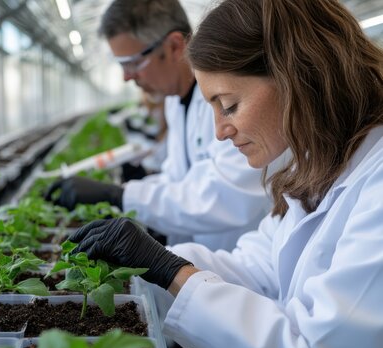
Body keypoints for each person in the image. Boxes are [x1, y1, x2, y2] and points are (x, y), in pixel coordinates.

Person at [67, 0, 383, 348]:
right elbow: (260, 268)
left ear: (297, 78)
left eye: (229, 105)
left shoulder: (376, 187)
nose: (220, 131)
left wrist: (169, 268)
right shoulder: (317, 164)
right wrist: (149, 262)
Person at [46, 0, 271, 250]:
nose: (126, 76)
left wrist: (119, 195)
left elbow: (223, 198)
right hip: (202, 263)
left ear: (174, 47)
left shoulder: (236, 102)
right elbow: (177, 181)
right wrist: (126, 189)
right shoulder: (175, 102)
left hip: (240, 266)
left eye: (132, 62)